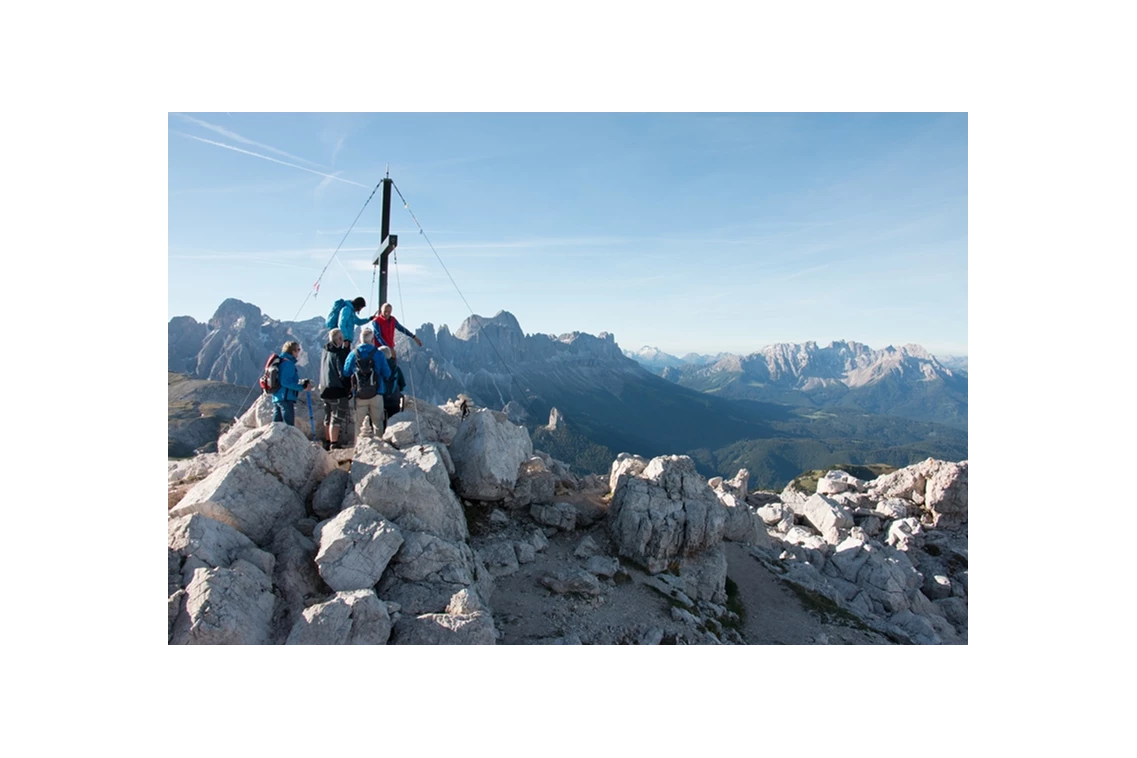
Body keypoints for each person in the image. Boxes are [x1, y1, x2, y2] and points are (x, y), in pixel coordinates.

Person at [343, 326, 392, 438]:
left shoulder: (353, 354)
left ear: (360, 339)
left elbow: (345, 372)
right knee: (378, 422)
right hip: (377, 392)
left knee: (359, 424)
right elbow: (387, 373)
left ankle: (358, 449)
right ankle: (379, 447)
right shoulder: (378, 354)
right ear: (372, 340)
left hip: (359, 393)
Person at [319, 327, 352, 450]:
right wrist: (348, 387)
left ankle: (327, 441)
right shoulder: (339, 354)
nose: (342, 340)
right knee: (337, 417)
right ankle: (334, 443)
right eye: (341, 338)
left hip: (324, 388)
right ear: (337, 339)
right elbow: (342, 373)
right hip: (337, 389)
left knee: (327, 416)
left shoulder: (325, 350)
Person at [272, 341, 311, 426]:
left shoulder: (281, 361)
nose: (299, 352)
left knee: (276, 426)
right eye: (298, 349)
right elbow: (286, 382)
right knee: (288, 427)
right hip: (285, 398)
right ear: (293, 351)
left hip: (277, 396)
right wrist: (302, 387)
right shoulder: (288, 363)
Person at [381, 346, 407, 431]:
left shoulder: (377, 368)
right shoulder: (396, 368)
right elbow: (402, 385)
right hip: (394, 400)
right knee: (393, 423)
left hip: (380, 400)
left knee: (380, 423)